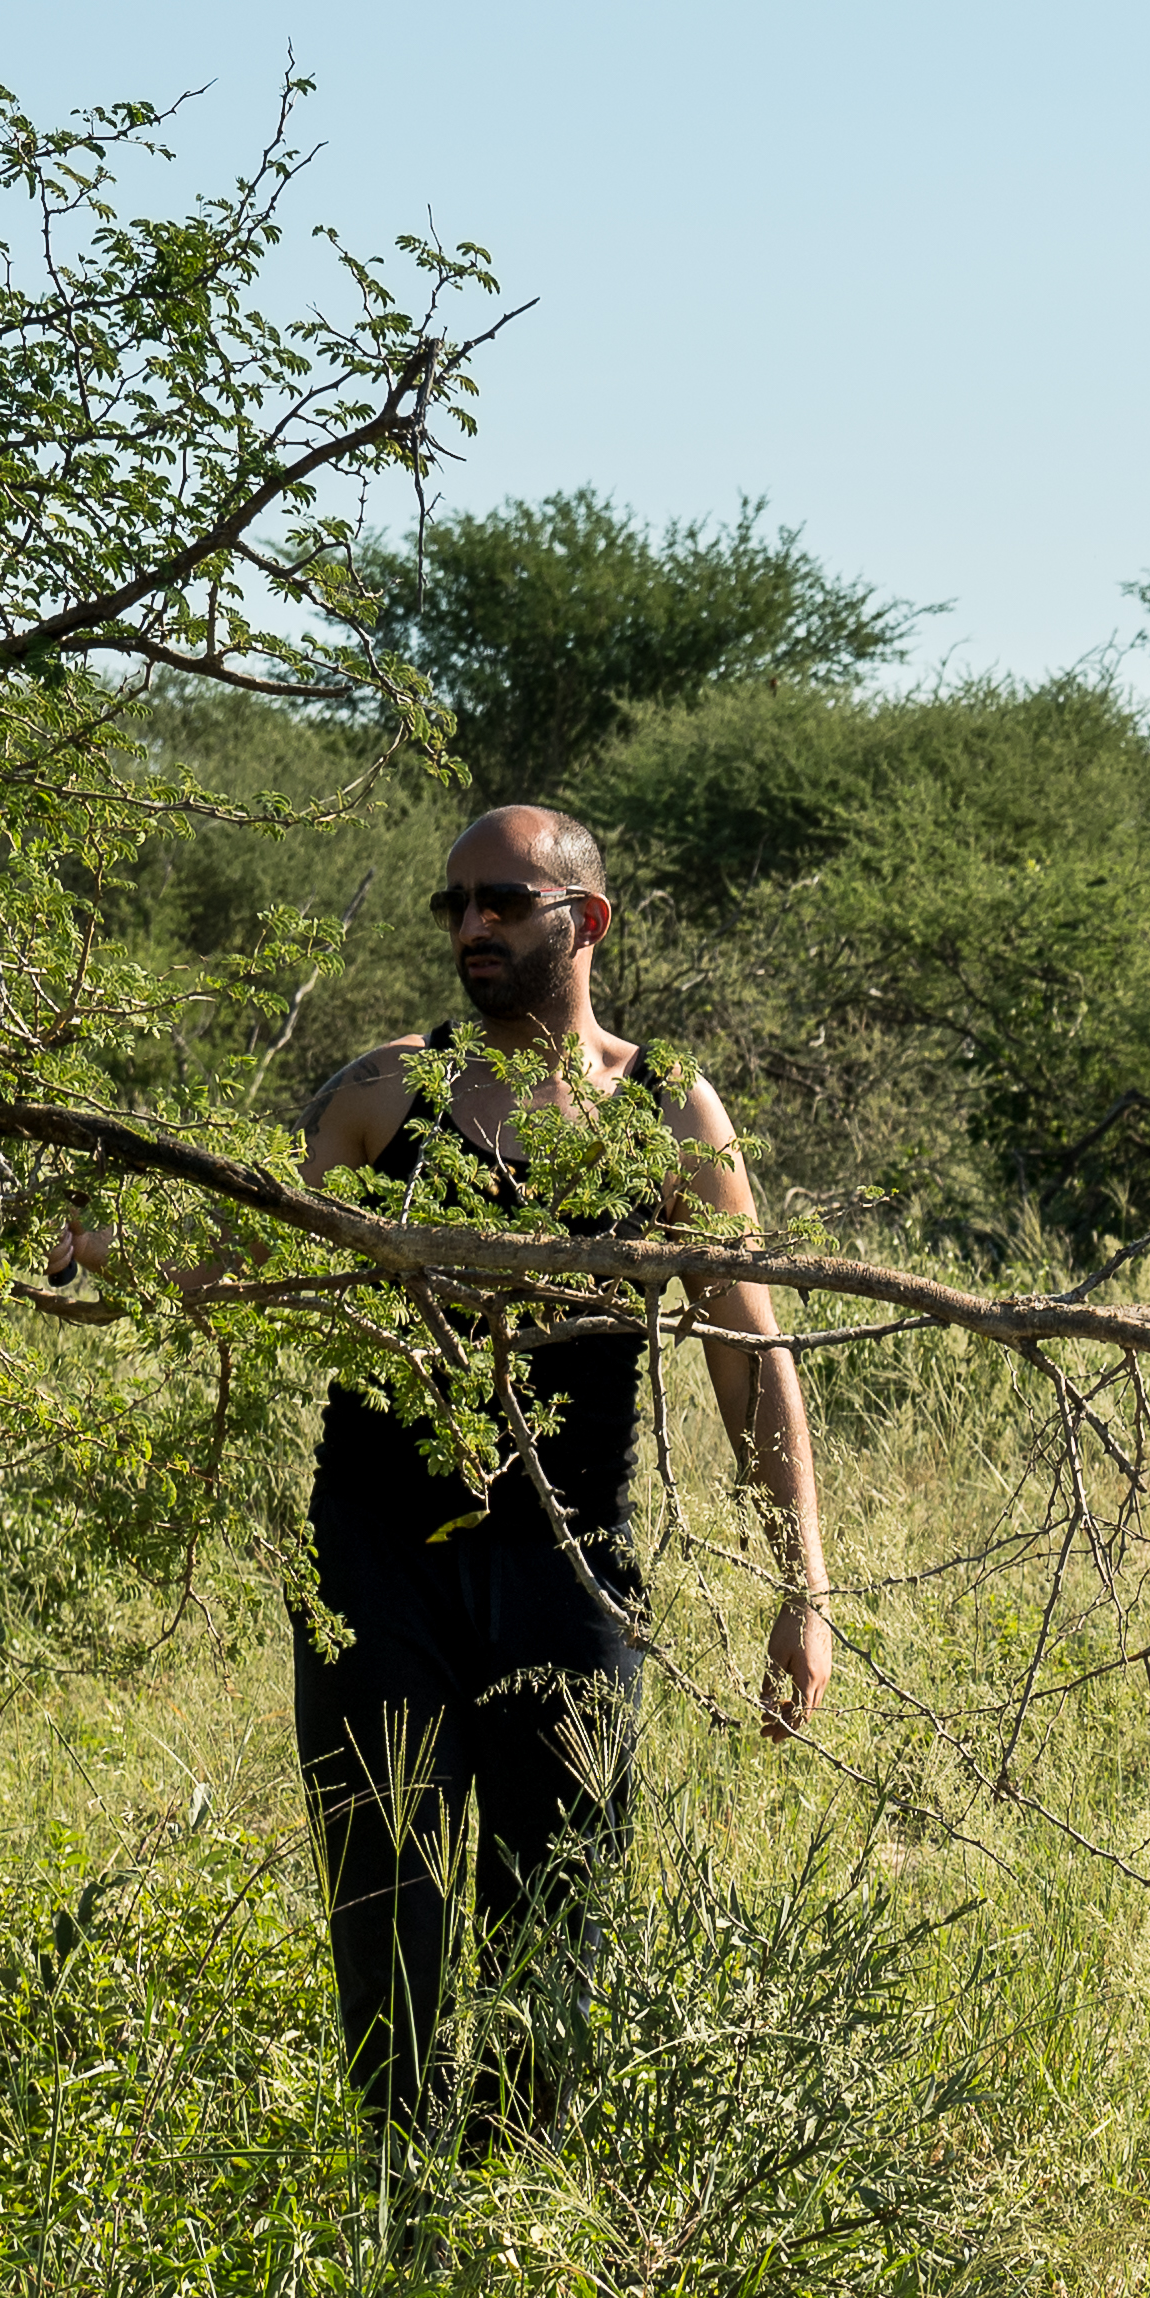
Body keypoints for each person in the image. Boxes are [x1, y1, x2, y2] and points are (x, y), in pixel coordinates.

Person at [293, 801, 833, 2140]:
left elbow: (746, 1354)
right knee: (390, 1929)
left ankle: (523, 2250)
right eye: (453, 905)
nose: (469, 925)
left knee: (555, 1938)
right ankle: (397, 2235)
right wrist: (87, 1263)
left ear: (581, 921)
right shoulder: (382, 1095)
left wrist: (802, 1587)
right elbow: (242, 1261)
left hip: (568, 1562)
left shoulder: (664, 1109)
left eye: (500, 900)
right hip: (373, 1567)